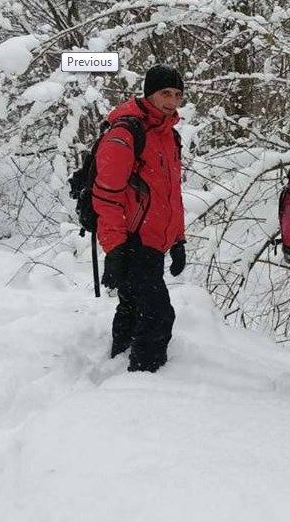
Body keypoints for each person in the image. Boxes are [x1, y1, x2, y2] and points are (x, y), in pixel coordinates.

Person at [93, 64, 187, 372]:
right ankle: (142, 379)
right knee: (159, 315)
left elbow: (172, 194)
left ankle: (119, 362)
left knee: (133, 305)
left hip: (155, 240)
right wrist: (115, 249)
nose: (172, 101)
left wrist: (178, 240)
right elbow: (107, 196)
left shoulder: (169, 136)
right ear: (149, 94)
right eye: (165, 93)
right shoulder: (126, 133)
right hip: (133, 240)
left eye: (177, 94)